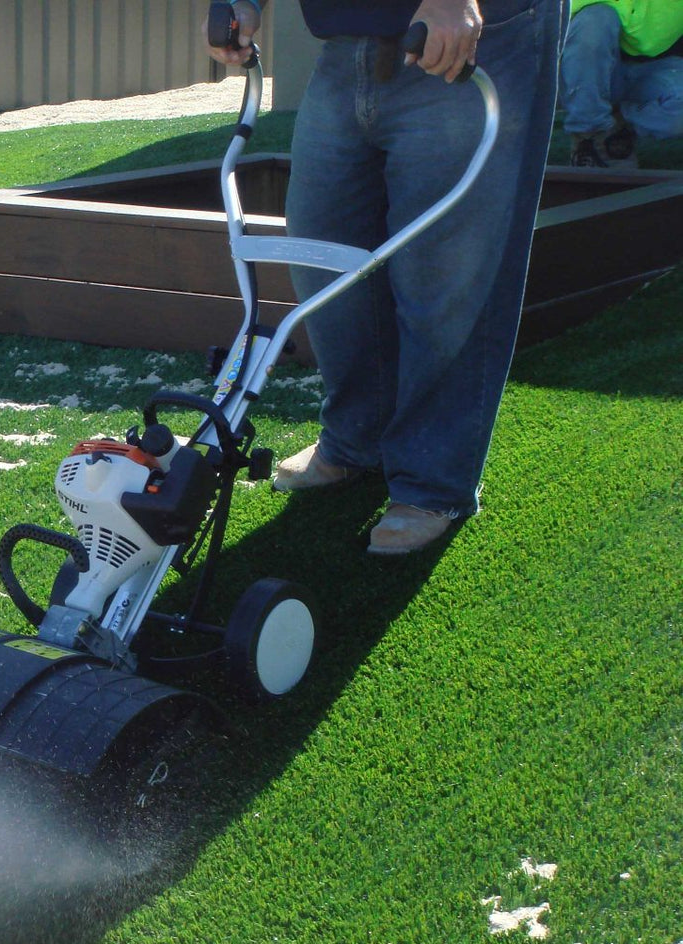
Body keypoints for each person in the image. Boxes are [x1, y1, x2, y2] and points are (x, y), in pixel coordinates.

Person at [208, 0, 564, 555]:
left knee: (445, 277)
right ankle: (356, 440)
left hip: (465, 39)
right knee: (324, 255)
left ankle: (431, 482)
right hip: (349, 38)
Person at [560, 0, 683, 167]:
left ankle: (614, 129)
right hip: (590, 73)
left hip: (663, 74)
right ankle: (588, 135)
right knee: (593, 22)